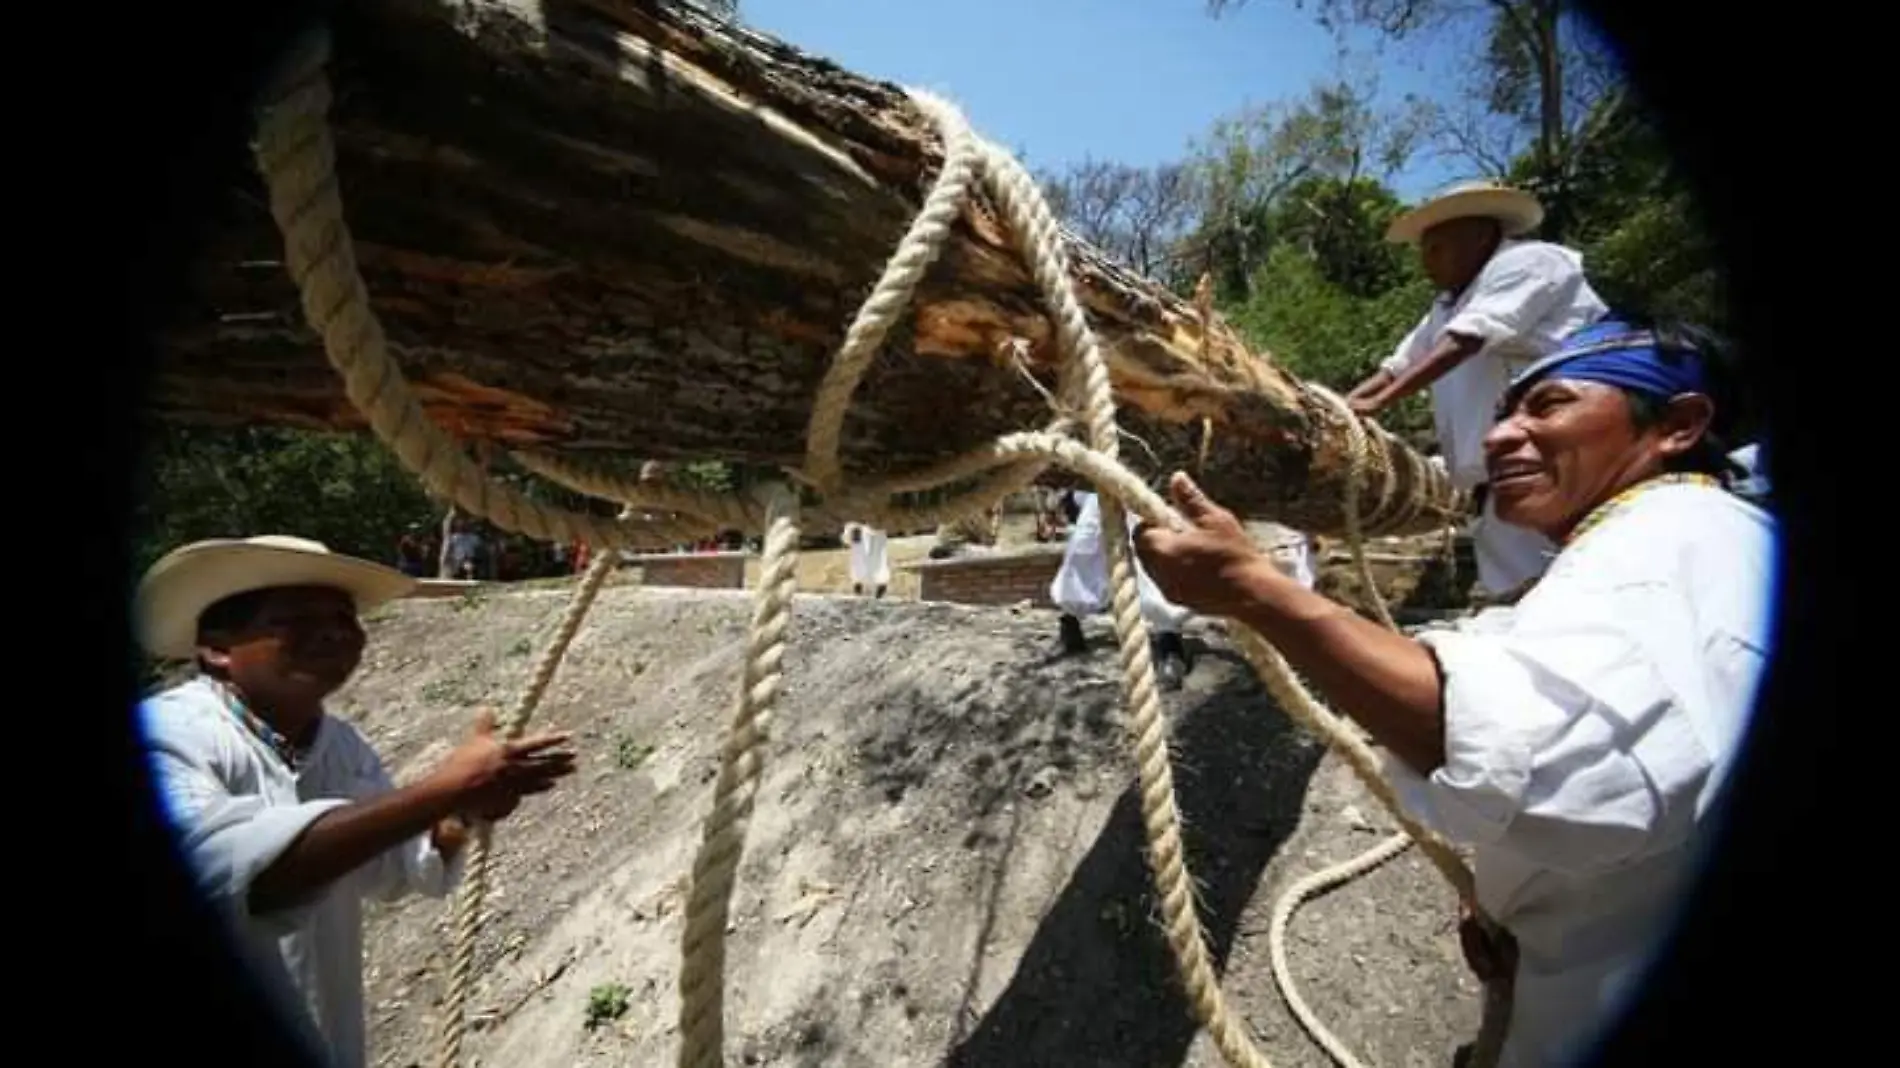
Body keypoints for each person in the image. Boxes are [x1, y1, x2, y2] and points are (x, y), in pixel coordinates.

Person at [1134, 318, 1773, 1067]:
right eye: (1504, 413)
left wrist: (1255, 591)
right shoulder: (1696, 539)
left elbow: (1535, 759)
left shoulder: (1667, 548)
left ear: (1679, 425)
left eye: (1550, 405)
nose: (1503, 435)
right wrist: (1516, 911)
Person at [133, 535, 579, 1068]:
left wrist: (460, 814)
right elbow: (233, 875)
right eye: (295, 618)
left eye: (343, 617)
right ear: (218, 649)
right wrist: (446, 789)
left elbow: (388, 865)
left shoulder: (337, 744)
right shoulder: (165, 736)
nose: (331, 631)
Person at [1345, 180, 1610, 600]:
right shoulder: (1448, 306)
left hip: (1563, 471)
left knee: (1575, 592)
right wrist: (1340, 410)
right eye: (1423, 251)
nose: (1426, 263)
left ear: (1481, 237)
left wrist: (1378, 404)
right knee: (1516, 600)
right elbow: (1398, 367)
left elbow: (1468, 339)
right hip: (1501, 483)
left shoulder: (1530, 262)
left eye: (1437, 248)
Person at [1051, 489, 1194, 691]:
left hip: (1141, 488)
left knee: (1148, 553)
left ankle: (1169, 643)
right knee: (1083, 550)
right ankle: (1070, 620)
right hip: (1098, 491)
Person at [844, 521, 890, 598]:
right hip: (862, 532)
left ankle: (879, 587)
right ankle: (860, 589)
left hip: (873, 533)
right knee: (860, 562)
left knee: (874, 560)